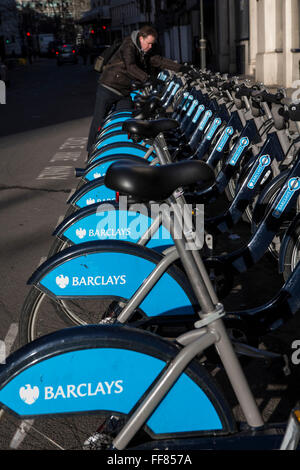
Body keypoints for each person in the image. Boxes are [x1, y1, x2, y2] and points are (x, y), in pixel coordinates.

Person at [87, 25, 192, 153]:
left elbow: (158, 60)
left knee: (127, 120)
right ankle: (91, 152)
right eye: (149, 43)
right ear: (141, 38)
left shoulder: (143, 50)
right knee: (99, 119)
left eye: (152, 44)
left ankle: (121, 149)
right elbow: (130, 66)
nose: (150, 47)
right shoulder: (128, 45)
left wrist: (181, 68)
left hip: (124, 91)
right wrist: (147, 79)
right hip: (109, 87)